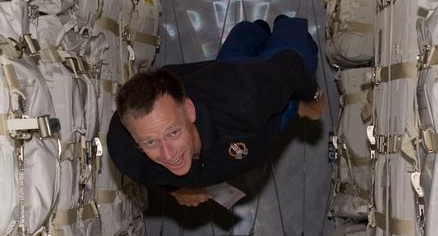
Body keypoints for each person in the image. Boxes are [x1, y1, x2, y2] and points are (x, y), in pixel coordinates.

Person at [106, 15, 323, 207]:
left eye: (173, 133)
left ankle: (284, 22)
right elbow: (153, 171)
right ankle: (252, 28)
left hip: (242, 99)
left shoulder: (244, 99)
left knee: (295, 56)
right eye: (150, 142)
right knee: (234, 66)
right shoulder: (127, 153)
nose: (168, 154)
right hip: (241, 105)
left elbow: (292, 67)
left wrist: (313, 98)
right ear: (135, 139)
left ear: (189, 111)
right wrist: (177, 190)